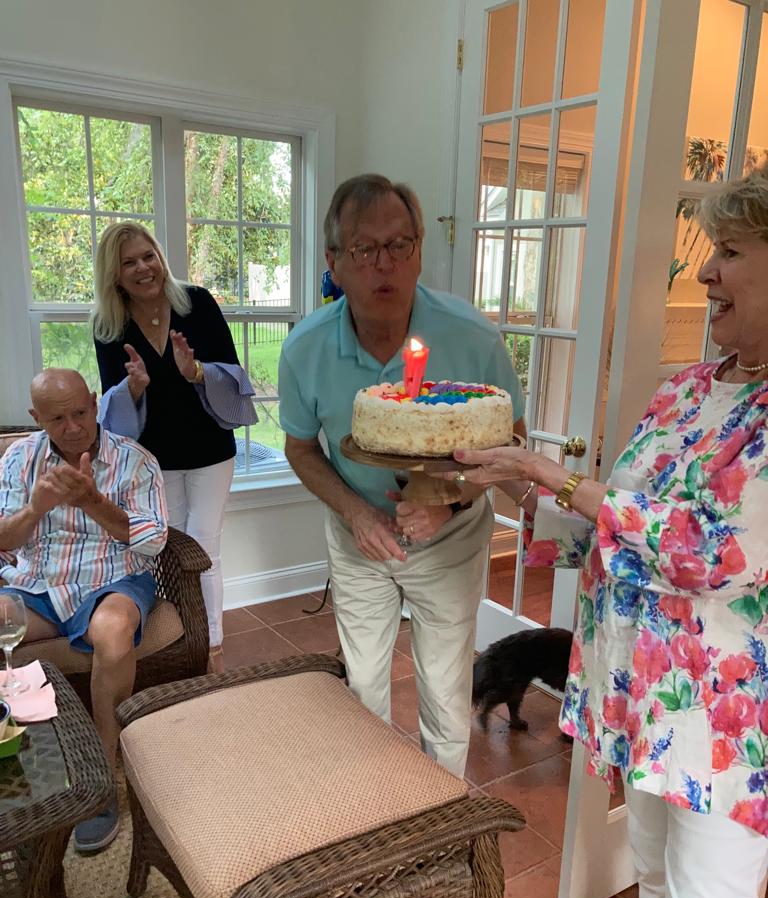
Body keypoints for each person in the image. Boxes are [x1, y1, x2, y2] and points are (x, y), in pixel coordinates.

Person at [443, 168, 768, 898]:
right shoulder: (688, 390)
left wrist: (555, 474)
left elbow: (708, 550)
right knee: (653, 875)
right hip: (646, 699)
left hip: (725, 722)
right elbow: (620, 527)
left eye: (732, 252)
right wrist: (520, 487)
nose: (706, 271)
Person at [278, 174, 526, 777]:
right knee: (363, 689)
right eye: (364, 249)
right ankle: (379, 804)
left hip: (452, 537)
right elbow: (301, 448)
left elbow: (511, 445)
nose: (383, 264)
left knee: (445, 691)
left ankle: (441, 811)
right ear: (334, 262)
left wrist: (450, 499)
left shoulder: (471, 337)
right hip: (359, 537)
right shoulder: (306, 348)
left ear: (418, 250)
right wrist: (356, 513)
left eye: (399, 245)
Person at [0, 369, 167, 853]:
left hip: (114, 577)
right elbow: (4, 539)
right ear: (36, 418)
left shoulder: (135, 460)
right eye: (58, 419)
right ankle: (17, 763)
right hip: (39, 584)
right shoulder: (19, 459)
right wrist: (35, 508)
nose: (73, 427)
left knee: (112, 631)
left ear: (95, 403)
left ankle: (101, 777)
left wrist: (92, 500)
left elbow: (154, 541)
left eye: (80, 412)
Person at [92, 222, 258, 671]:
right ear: (115, 274)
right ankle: (184, 641)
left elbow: (234, 375)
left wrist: (197, 372)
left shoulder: (197, 303)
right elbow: (112, 406)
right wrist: (133, 388)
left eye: (149, 256)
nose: (143, 268)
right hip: (153, 459)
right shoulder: (108, 325)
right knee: (170, 550)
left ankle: (211, 648)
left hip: (210, 451)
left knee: (204, 547)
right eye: (129, 262)